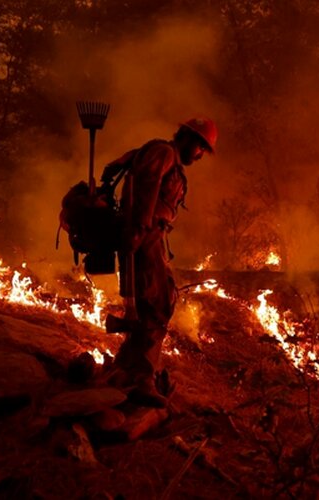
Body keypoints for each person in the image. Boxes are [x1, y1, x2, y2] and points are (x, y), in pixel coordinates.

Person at [104, 117, 217, 407]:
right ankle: (142, 379)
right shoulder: (164, 153)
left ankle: (125, 369)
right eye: (200, 147)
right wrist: (139, 232)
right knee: (156, 305)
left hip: (153, 236)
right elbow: (145, 192)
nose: (200, 155)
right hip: (146, 236)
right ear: (188, 139)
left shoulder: (166, 156)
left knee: (152, 304)